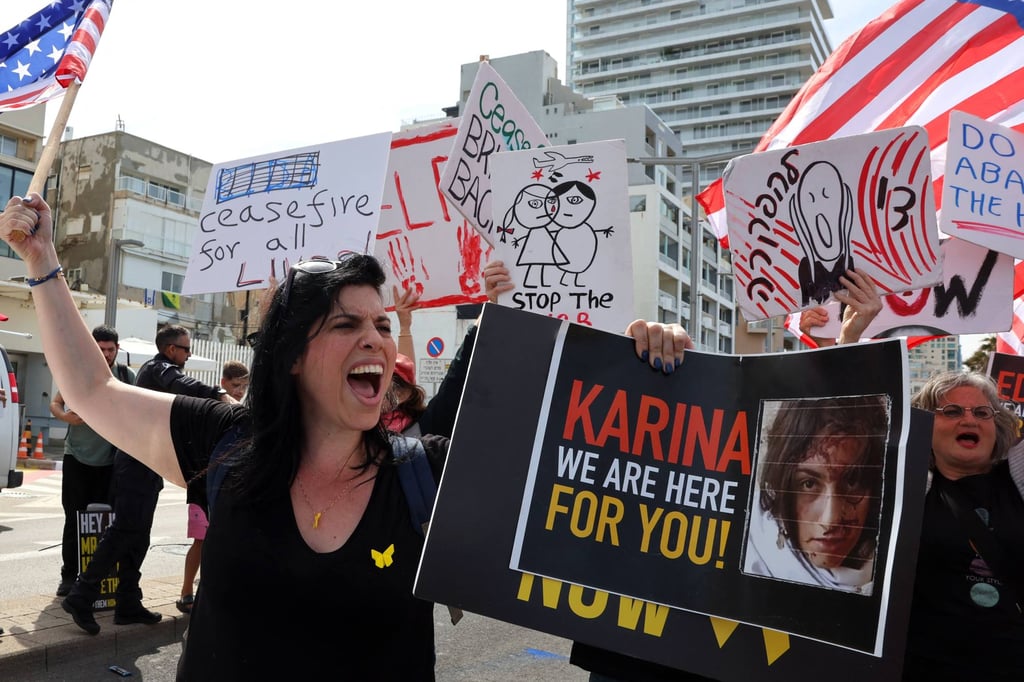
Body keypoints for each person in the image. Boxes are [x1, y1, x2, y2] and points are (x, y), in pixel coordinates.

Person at [0, 193, 690, 678]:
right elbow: (93, 391)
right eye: (347, 324)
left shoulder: (428, 476)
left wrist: (652, 375)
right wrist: (41, 257)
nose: (377, 340)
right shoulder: (222, 443)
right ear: (294, 356)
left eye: (383, 325)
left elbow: (607, 487)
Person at [61, 323, 231, 635]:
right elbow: (181, 383)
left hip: (149, 462)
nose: (188, 354)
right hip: (136, 461)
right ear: (171, 349)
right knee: (124, 530)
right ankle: (81, 596)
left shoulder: (161, 373)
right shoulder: (158, 368)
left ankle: (128, 602)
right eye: (186, 349)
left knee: (138, 536)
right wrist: (217, 393)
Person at [904, 371, 1024, 680]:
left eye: (981, 412)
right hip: (927, 667)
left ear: (995, 427)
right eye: (952, 411)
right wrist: (842, 338)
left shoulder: (1017, 479)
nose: (968, 420)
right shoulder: (909, 489)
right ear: (925, 427)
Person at [743, 395, 887, 595]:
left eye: (853, 481)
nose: (830, 521)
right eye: (809, 484)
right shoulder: (744, 553)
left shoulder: (894, 569)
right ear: (780, 485)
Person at [49, 325, 135, 597]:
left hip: (110, 462)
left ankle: (97, 577)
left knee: (104, 522)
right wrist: (66, 418)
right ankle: (68, 576)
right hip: (77, 457)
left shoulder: (126, 375)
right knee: (73, 519)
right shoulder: (77, 372)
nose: (106, 354)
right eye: (101, 349)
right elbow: (56, 403)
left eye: (110, 349)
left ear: (117, 349)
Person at [178, 360, 250, 614]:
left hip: (225, 488)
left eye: (244, 386)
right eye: (235, 385)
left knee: (220, 542)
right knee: (201, 541)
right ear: (223, 383)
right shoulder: (210, 406)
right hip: (201, 487)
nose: (239, 391)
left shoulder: (242, 412)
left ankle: (209, 593)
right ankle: (187, 592)